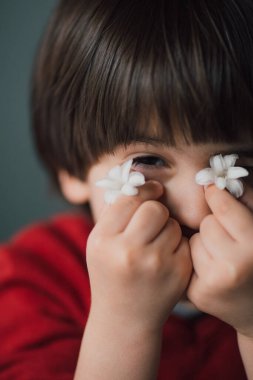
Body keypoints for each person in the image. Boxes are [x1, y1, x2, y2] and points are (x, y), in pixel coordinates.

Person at [1, 0, 253, 378]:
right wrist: (124, 321)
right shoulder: (32, 279)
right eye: (149, 161)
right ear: (72, 170)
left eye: (237, 163)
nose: (198, 210)